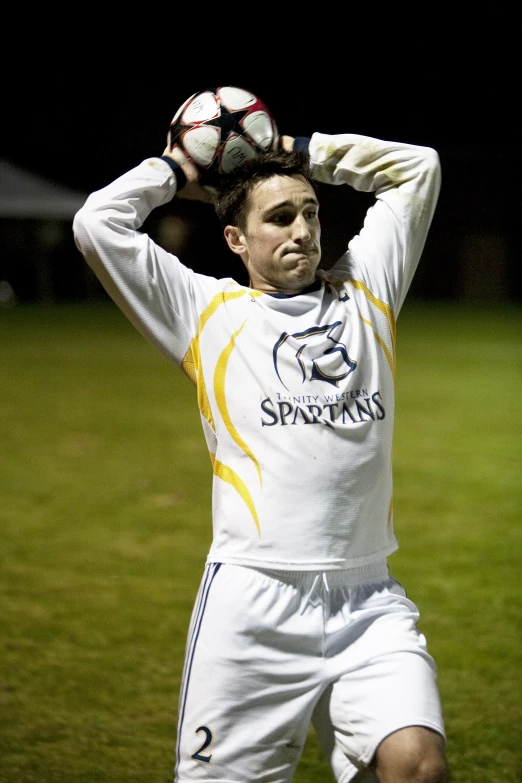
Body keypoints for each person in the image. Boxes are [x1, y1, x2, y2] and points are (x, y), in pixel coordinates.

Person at [73, 107, 448, 783]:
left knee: (416, 764)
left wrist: (295, 149)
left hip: (368, 597)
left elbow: (417, 167)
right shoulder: (206, 315)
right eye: (279, 218)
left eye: (309, 211)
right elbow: (96, 223)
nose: (302, 229)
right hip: (253, 604)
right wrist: (177, 169)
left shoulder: (368, 293)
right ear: (236, 240)